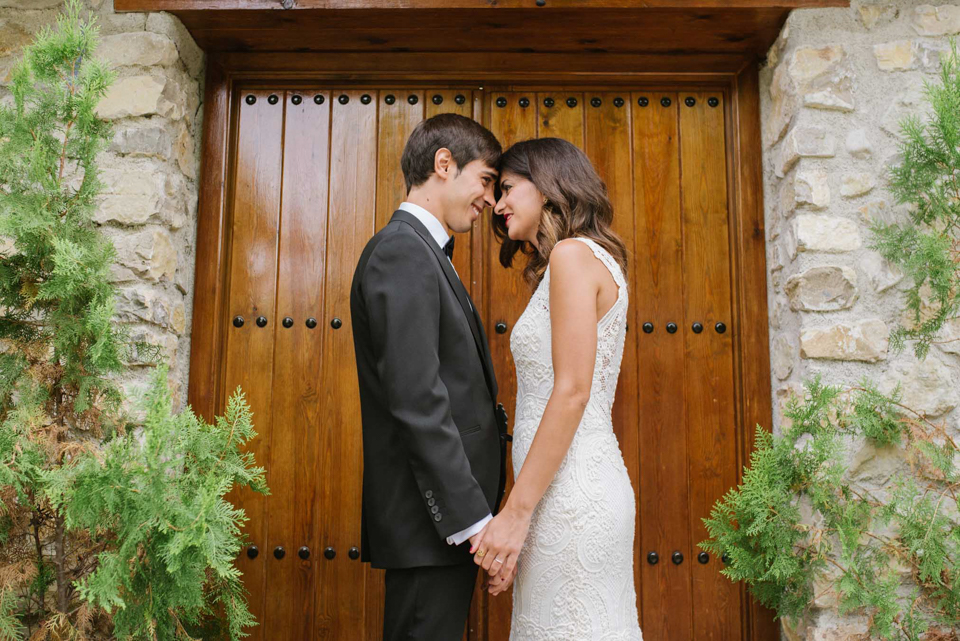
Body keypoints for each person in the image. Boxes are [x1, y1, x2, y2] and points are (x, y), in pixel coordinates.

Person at [472, 137, 643, 640]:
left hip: (568, 495)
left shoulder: (572, 255)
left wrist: (514, 515)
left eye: (506, 189)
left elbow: (571, 391)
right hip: (558, 489)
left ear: (547, 185)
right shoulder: (579, 259)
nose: (497, 206)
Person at [349, 113, 511, 641]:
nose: (488, 199)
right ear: (444, 164)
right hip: (434, 525)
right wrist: (473, 522)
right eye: (485, 180)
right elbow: (418, 399)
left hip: (441, 530)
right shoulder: (402, 253)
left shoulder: (422, 252)